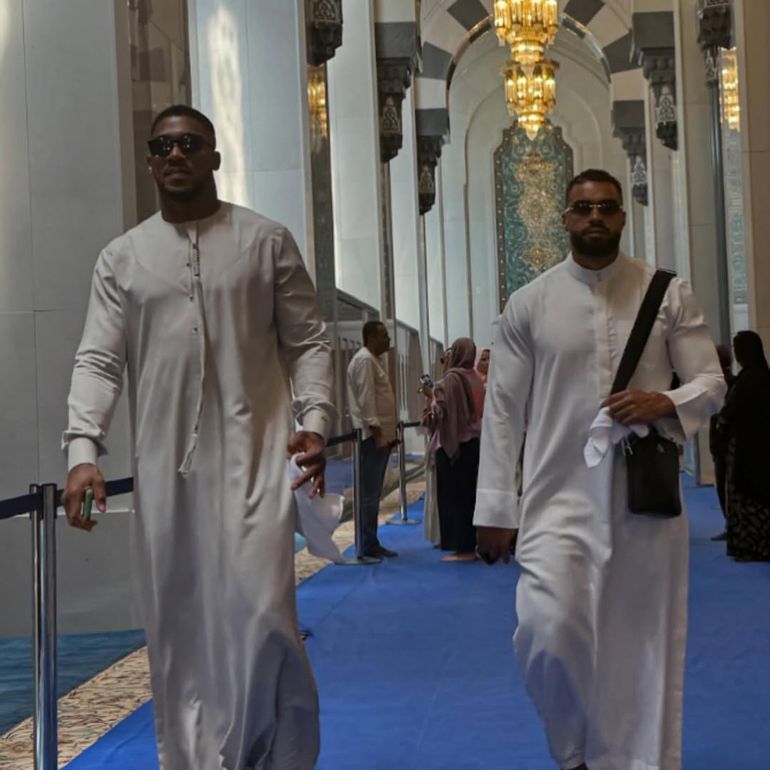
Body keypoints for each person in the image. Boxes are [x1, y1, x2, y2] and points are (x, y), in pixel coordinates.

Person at [61, 105, 335, 770]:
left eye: (189, 144)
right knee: (179, 632)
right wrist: (82, 454)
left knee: (264, 620)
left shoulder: (265, 241)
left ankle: (274, 755)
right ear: (150, 161)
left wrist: (315, 421)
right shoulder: (121, 259)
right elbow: (98, 361)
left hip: (257, 464)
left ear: (214, 156)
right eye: (162, 146)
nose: (175, 155)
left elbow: (309, 341)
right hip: (164, 480)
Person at [474, 169, 725, 770]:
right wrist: (493, 509)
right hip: (555, 498)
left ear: (621, 217)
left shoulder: (666, 292)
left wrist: (665, 401)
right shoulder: (528, 303)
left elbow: (712, 383)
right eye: (582, 207)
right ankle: (575, 752)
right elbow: (503, 413)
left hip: (643, 504)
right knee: (545, 633)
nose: (594, 217)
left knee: (639, 646)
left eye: (606, 207)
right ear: (564, 218)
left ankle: (633, 760)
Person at [423, 338, 485, 562]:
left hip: (453, 446)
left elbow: (442, 414)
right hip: (474, 443)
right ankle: (467, 543)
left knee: (455, 497)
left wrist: (431, 398)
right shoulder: (477, 378)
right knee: (468, 497)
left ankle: (463, 548)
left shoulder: (450, 380)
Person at [346, 321, 398, 559]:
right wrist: (378, 434)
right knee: (368, 493)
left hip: (377, 437)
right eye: (384, 336)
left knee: (373, 492)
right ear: (370, 338)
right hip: (371, 438)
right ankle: (366, 543)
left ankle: (370, 540)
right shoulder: (365, 360)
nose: (388, 340)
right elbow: (367, 401)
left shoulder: (371, 360)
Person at [720, 330, 770, 561]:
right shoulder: (762, 377)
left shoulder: (747, 381)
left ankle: (749, 546)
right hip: (761, 447)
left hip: (744, 448)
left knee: (744, 495)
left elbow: (732, 412)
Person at [709, 344, 737, 540]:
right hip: (726, 441)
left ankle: (731, 524)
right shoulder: (734, 382)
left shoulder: (721, 385)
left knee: (724, 485)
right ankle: (732, 524)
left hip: (724, 442)